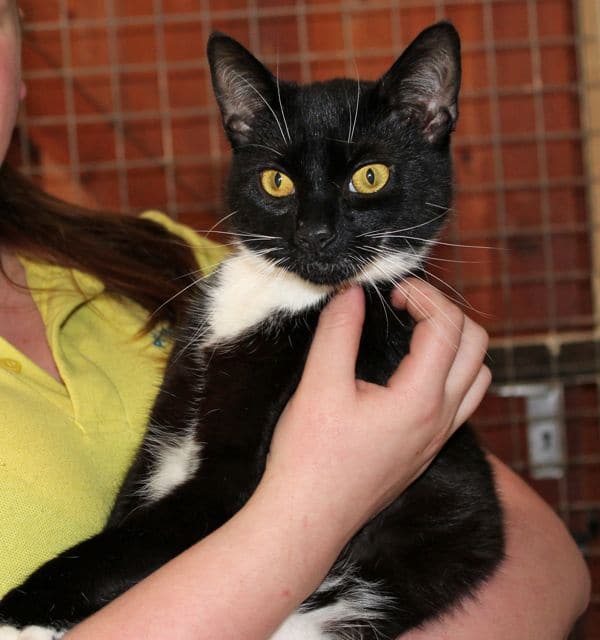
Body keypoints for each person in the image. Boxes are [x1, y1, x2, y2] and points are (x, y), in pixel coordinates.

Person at [0, 1, 590, 638]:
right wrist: (317, 507)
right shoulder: (221, 287)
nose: (314, 229)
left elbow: (547, 561)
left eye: (367, 177)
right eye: (280, 186)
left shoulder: (168, 262)